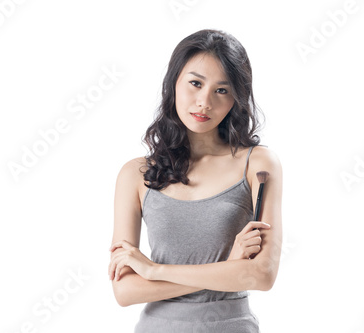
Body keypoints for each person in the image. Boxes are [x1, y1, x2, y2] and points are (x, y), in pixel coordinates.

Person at [108, 29, 283, 332]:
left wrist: (153, 270)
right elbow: (125, 291)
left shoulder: (258, 164)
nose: (204, 102)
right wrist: (229, 267)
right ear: (173, 83)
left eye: (222, 90)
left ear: (235, 100)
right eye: (195, 83)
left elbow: (262, 276)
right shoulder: (135, 175)